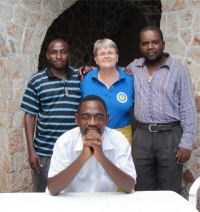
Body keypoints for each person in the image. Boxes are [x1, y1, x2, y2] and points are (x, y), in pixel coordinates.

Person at [78, 26, 197, 194]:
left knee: (170, 189)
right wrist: (90, 68)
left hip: (170, 135)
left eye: (155, 42)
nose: (150, 47)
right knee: (140, 187)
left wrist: (186, 143)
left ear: (163, 43)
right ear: (140, 46)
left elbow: (188, 109)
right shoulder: (134, 68)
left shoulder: (178, 70)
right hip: (141, 137)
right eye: (145, 43)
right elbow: (109, 67)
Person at [20, 39, 81, 192]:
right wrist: (31, 151)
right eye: (54, 52)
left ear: (69, 54)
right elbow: (30, 116)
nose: (59, 56)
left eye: (63, 52)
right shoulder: (37, 81)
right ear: (47, 55)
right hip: (45, 153)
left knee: (76, 196)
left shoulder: (80, 78)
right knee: (44, 197)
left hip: (74, 150)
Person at [47, 95, 136, 195]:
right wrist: (83, 157)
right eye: (86, 117)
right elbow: (53, 188)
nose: (92, 123)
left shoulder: (119, 140)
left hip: (107, 205)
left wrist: (101, 156)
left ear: (107, 119)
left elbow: (129, 186)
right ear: (76, 119)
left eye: (99, 117)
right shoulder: (65, 142)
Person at [80, 38, 134, 145]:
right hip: (93, 133)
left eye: (110, 52)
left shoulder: (130, 79)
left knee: (121, 162)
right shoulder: (85, 80)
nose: (106, 56)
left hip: (122, 134)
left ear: (117, 57)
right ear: (96, 59)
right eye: (102, 54)